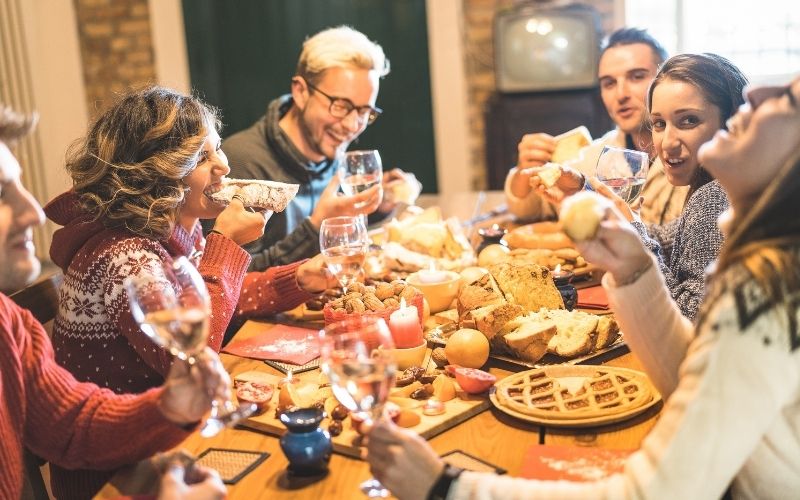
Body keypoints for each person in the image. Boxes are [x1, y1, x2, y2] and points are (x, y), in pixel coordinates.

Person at [366, 76, 800, 499]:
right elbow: (697, 373)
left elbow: (652, 493)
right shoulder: (768, 262)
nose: (758, 90)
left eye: (793, 97)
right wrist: (634, 272)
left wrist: (445, 486)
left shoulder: (766, 294)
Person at [43, 86, 337, 497]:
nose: (224, 165)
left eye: (217, 149)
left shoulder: (174, 227)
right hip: (118, 473)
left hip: (174, 438)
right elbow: (195, 358)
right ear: (155, 173)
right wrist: (228, 245)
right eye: (203, 157)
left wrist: (298, 279)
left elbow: (211, 301)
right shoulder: (126, 258)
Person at [0, 104, 227, 499]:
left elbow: (72, 425)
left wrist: (169, 408)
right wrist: (228, 249)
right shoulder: (128, 256)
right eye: (1, 193)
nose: (34, 213)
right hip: (113, 480)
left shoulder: (8, 321)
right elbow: (200, 348)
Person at [221, 25, 421, 271]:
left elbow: (332, 248)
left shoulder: (331, 152)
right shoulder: (242, 162)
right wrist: (316, 228)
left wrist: (378, 208)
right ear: (301, 92)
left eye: (363, 111)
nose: (351, 125)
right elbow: (233, 282)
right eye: (340, 105)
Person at [506, 27, 689, 225]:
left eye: (636, 76)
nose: (621, 95)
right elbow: (530, 208)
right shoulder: (599, 154)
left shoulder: (691, 153)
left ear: (665, 80)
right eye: (609, 83)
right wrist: (524, 169)